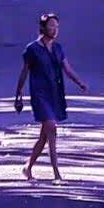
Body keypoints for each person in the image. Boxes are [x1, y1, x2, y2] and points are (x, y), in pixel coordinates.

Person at [14, 12, 88, 182]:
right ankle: (56, 173)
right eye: (51, 26)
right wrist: (18, 93)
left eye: (57, 26)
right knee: (52, 129)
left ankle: (28, 167)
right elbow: (24, 72)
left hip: (55, 93)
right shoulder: (32, 49)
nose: (54, 29)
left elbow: (67, 69)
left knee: (44, 136)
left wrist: (80, 82)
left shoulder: (58, 48)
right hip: (39, 95)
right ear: (42, 27)